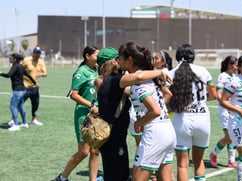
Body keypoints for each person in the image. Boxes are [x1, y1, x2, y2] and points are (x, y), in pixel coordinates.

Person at [95, 46, 172, 181]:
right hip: (115, 137)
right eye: (117, 59)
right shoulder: (115, 81)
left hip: (114, 136)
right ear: (113, 62)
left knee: (119, 174)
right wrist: (160, 72)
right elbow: (139, 76)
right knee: (118, 176)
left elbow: (134, 86)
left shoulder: (103, 81)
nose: (119, 61)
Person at [118, 42, 176, 181]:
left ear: (130, 60)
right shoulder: (150, 78)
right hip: (168, 130)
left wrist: (139, 123)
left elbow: (155, 111)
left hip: (154, 134)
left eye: (120, 57)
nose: (118, 61)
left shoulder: (139, 83)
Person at [168, 44, 217, 181]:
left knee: (183, 165)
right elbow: (214, 95)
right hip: (202, 119)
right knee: (198, 161)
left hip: (182, 120)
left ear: (177, 56)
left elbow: (166, 97)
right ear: (193, 56)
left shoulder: (171, 73)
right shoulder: (203, 71)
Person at [54, 46, 100, 181]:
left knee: (95, 151)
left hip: (97, 115)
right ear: (87, 56)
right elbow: (73, 94)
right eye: (97, 55)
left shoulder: (98, 70)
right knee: (84, 152)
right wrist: (91, 105)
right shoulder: (81, 72)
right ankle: (62, 178)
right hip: (84, 115)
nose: (99, 58)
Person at [209, 55, 238, 168]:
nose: (237, 66)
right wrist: (225, 103)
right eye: (235, 64)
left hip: (234, 109)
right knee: (229, 137)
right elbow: (218, 93)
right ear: (229, 65)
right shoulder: (223, 76)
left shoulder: (235, 76)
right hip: (225, 110)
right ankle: (213, 154)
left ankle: (231, 161)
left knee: (233, 136)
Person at [8, 46, 47, 126]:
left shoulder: (41, 62)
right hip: (25, 87)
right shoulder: (26, 60)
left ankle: (34, 119)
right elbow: (18, 67)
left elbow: (45, 73)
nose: (38, 55)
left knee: (35, 104)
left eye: (39, 53)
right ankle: (13, 119)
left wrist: (40, 74)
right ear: (33, 53)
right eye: (36, 53)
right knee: (19, 104)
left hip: (35, 87)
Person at [0, 53, 36, 131]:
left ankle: (15, 125)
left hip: (17, 90)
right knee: (20, 106)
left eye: (11, 58)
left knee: (13, 106)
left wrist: (1, 73)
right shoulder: (21, 67)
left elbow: (9, 75)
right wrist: (34, 82)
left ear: (15, 59)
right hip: (23, 90)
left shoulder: (15, 66)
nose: (9, 59)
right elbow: (28, 75)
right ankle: (24, 123)